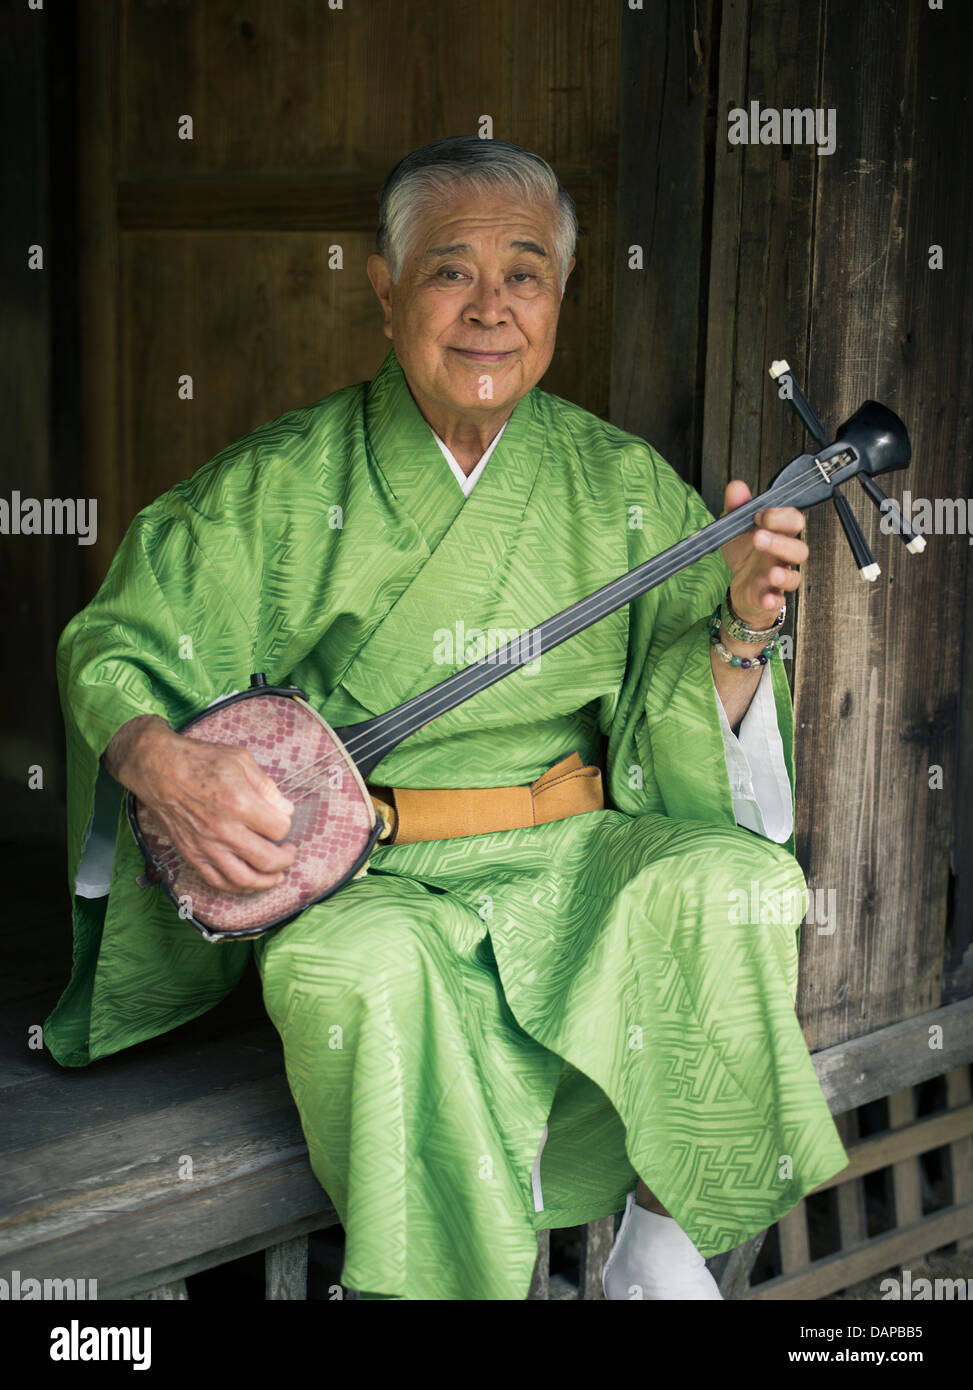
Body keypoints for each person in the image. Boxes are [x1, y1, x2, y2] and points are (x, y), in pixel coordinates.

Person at [46, 136, 849, 1300]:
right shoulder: (286, 478)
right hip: (374, 874)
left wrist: (737, 630)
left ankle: (662, 1250)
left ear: (561, 295)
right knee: (345, 973)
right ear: (383, 289)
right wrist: (155, 755)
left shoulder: (618, 481)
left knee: (738, 883)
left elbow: (675, 728)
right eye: (448, 271)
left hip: (573, 846)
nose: (489, 307)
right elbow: (117, 642)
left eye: (524, 273)